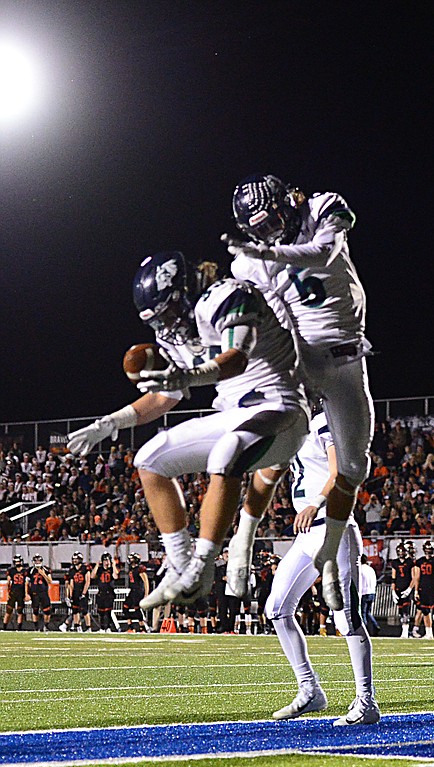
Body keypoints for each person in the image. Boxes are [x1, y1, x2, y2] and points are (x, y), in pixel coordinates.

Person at [67, 252, 308, 610]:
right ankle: (180, 562)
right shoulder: (176, 334)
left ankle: (203, 565)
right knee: (150, 459)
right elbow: (166, 396)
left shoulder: (227, 295)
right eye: (156, 319)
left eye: (166, 312)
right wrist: (111, 422)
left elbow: (235, 358)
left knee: (228, 451)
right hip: (238, 414)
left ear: (184, 291)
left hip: (281, 409)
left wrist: (188, 375)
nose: (165, 325)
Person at [224, 174, 373, 613]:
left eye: (274, 223)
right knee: (273, 443)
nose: (271, 234)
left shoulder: (323, 206)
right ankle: (242, 540)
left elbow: (325, 252)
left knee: (353, 466)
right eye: (261, 231)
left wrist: (267, 252)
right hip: (303, 359)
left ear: (288, 201)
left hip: (346, 359)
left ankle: (328, 552)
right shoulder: (247, 264)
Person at [265, 410, 379, 726]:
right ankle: (309, 688)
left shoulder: (323, 421)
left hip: (333, 527)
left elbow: (339, 471)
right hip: (306, 535)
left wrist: (314, 502)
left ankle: (366, 701)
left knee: (347, 617)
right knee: (276, 608)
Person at [413, 541, 434, 639]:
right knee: (425, 611)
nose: (428, 551)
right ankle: (429, 632)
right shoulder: (420, 561)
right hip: (423, 588)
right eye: (426, 549)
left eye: (429, 548)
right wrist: (416, 590)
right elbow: (417, 577)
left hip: (433, 588)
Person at [388, 541, 418, 637]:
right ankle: (404, 630)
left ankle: (405, 631)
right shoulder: (395, 562)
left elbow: (414, 577)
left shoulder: (410, 562)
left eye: (403, 551)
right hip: (398, 588)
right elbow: (393, 578)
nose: (401, 553)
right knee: (401, 611)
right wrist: (393, 591)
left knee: (406, 610)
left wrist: (409, 589)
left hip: (406, 588)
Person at [122, 552, 150, 633]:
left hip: (138, 591)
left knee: (137, 609)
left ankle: (142, 628)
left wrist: (146, 594)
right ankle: (131, 627)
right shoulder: (132, 569)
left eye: (132, 558)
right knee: (125, 607)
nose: (130, 560)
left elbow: (146, 582)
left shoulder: (140, 569)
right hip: (132, 591)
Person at [93, 553, 119, 632]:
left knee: (108, 611)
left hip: (109, 592)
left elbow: (115, 576)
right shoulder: (100, 570)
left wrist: (113, 565)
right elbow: (92, 576)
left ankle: (108, 627)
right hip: (101, 592)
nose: (106, 562)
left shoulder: (111, 569)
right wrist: (96, 566)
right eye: (105, 560)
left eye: (107, 560)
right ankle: (102, 627)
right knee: (101, 612)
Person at [27, 554, 53, 632]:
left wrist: (43, 574)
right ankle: (36, 627)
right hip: (34, 593)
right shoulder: (30, 570)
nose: (37, 562)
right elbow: (27, 583)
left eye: (38, 560)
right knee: (35, 610)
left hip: (43, 592)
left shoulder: (46, 569)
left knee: (47, 611)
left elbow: (50, 581)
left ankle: (46, 626)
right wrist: (27, 593)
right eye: (36, 560)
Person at [358, 554, 380, 637]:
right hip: (371, 592)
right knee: (368, 612)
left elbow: (360, 582)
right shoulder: (370, 569)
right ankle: (375, 625)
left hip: (364, 592)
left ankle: (365, 629)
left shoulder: (360, 569)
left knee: (363, 612)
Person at [5, 555, 27, 631]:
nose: (18, 563)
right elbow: (8, 582)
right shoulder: (11, 570)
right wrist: (7, 593)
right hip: (13, 592)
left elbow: (27, 583)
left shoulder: (25, 571)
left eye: (19, 561)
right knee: (8, 610)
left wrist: (26, 594)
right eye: (16, 561)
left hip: (21, 593)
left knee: (20, 611)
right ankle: (4, 627)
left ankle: (19, 628)